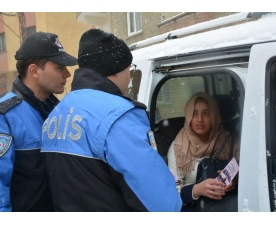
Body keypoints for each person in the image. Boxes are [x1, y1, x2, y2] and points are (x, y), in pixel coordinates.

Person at [41, 29, 182, 212]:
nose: (130, 77)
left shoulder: (56, 114)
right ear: (115, 71)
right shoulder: (117, 116)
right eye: (129, 69)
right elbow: (161, 202)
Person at [0, 32, 78, 212]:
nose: (67, 74)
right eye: (59, 68)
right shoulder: (5, 117)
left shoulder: (63, 112)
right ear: (34, 71)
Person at [167, 92, 239, 211]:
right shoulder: (178, 147)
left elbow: (248, 176)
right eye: (194, 114)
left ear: (214, 115)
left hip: (226, 201)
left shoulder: (231, 142)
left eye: (206, 113)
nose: (200, 119)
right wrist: (197, 190)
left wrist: (235, 182)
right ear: (188, 116)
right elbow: (171, 193)